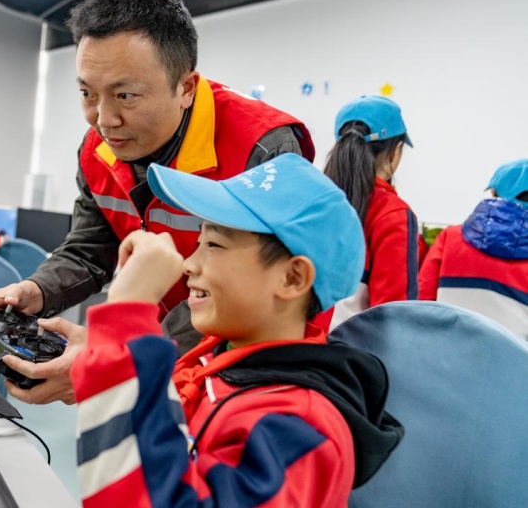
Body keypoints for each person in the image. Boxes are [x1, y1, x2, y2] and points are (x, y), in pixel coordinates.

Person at [0, 0, 315, 402]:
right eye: (88, 93)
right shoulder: (97, 151)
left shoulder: (262, 151)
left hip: (255, 368)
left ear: (185, 88)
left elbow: (247, 291)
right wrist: (35, 291)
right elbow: (89, 250)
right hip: (166, 346)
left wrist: (119, 355)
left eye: (125, 95)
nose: (104, 120)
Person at [67, 154, 402, 505]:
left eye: (214, 245)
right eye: (198, 242)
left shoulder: (299, 429)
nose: (189, 264)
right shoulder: (214, 363)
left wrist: (127, 316)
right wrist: (102, 355)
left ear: (292, 278)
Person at [319, 95, 419, 331]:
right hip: (352, 352)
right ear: (395, 152)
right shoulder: (393, 214)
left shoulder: (313, 201)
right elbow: (394, 317)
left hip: (296, 346)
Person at [419, 158, 528, 338]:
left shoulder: (449, 238)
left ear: (493, 193)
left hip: (445, 350)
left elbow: (420, 306)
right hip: (513, 356)